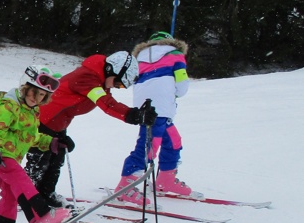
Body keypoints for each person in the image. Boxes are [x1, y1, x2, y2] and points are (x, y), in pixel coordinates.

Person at [22, 51, 157, 208]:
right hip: (43, 121)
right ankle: (27, 196)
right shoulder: (88, 78)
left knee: (56, 160)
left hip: (58, 124)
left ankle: (46, 193)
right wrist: (132, 115)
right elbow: (106, 104)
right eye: (118, 83)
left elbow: (107, 100)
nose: (117, 87)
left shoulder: (99, 80)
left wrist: (137, 114)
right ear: (110, 70)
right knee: (40, 161)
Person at [0, 66, 74, 223]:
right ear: (25, 88)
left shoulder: (30, 113)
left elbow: (31, 138)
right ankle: (42, 215)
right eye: (34, 93)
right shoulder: (8, 106)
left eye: (42, 97)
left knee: (10, 196)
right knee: (22, 180)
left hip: (8, 154)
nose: (35, 99)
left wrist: (53, 142)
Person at [115, 31, 195, 205]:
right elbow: (182, 85)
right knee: (148, 146)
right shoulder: (176, 54)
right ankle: (126, 185)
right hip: (162, 105)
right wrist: (172, 93)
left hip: (145, 106)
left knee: (172, 140)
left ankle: (166, 179)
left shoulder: (139, 57)